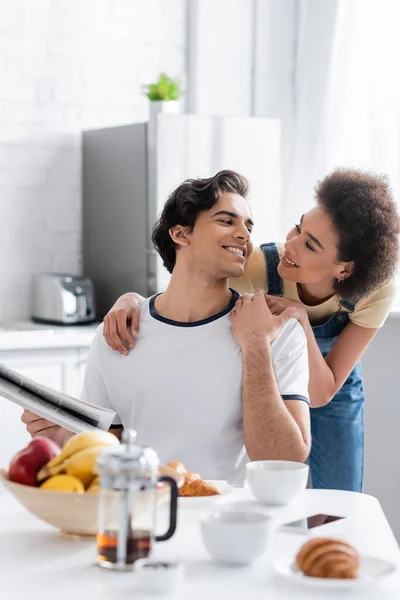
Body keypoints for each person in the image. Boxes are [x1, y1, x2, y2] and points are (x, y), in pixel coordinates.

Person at [103, 168, 400, 492]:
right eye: (298, 228)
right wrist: (129, 299)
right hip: (274, 374)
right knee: (281, 487)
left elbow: (322, 392)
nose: (291, 245)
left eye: (310, 245)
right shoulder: (260, 265)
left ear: (345, 268)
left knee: (337, 503)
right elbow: (185, 283)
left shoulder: (375, 292)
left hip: (332, 384)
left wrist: (299, 316)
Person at [21, 170, 310, 484]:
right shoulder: (117, 333)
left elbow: (283, 461)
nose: (245, 236)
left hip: (230, 522)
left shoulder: (277, 332)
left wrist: (256, 345)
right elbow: (109, 454)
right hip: (141, 517)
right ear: (181, 235)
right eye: (227, 221)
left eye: (248, 226)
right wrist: (69, 439)